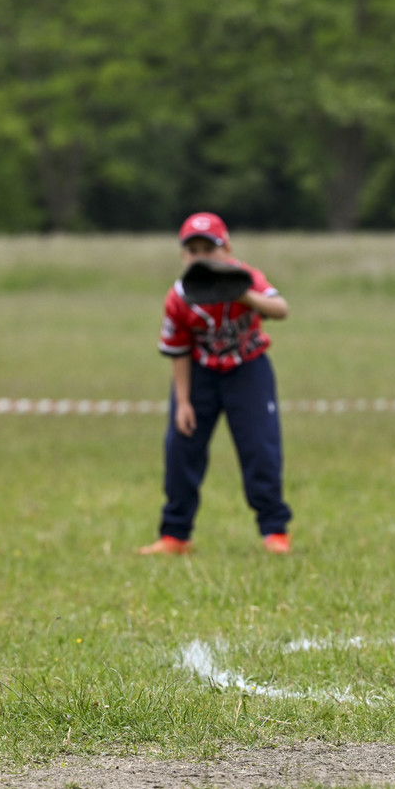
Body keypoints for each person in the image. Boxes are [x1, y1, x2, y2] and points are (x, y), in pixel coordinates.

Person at [140, 212, 294, 555]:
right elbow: (178, 349)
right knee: (182, 450)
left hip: (247, 370)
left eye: (209, 249)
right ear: (183, 256)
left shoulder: (246, 277)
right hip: (200, 375)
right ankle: (176, 535)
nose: (201, 257)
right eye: (193, 250)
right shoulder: (180, 296)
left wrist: (245, 297)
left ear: (226, 249)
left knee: (260, 449)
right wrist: (183, 402)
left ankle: (274, 531)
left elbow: (281, 309)